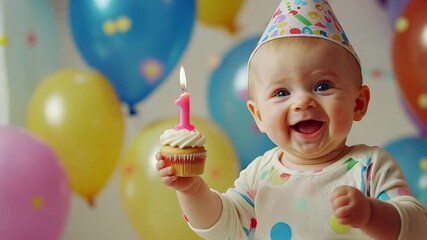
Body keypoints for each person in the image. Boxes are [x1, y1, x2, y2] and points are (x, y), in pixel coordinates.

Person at [156, 0, 427, 239]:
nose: (302, 102)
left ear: (358, 103)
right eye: (282, 92)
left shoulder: (370, 167)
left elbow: (417, 228)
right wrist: (192, 190)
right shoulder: (260, 175)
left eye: (322, 86)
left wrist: (371, 215)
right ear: (259, 116)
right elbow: (224, 228)